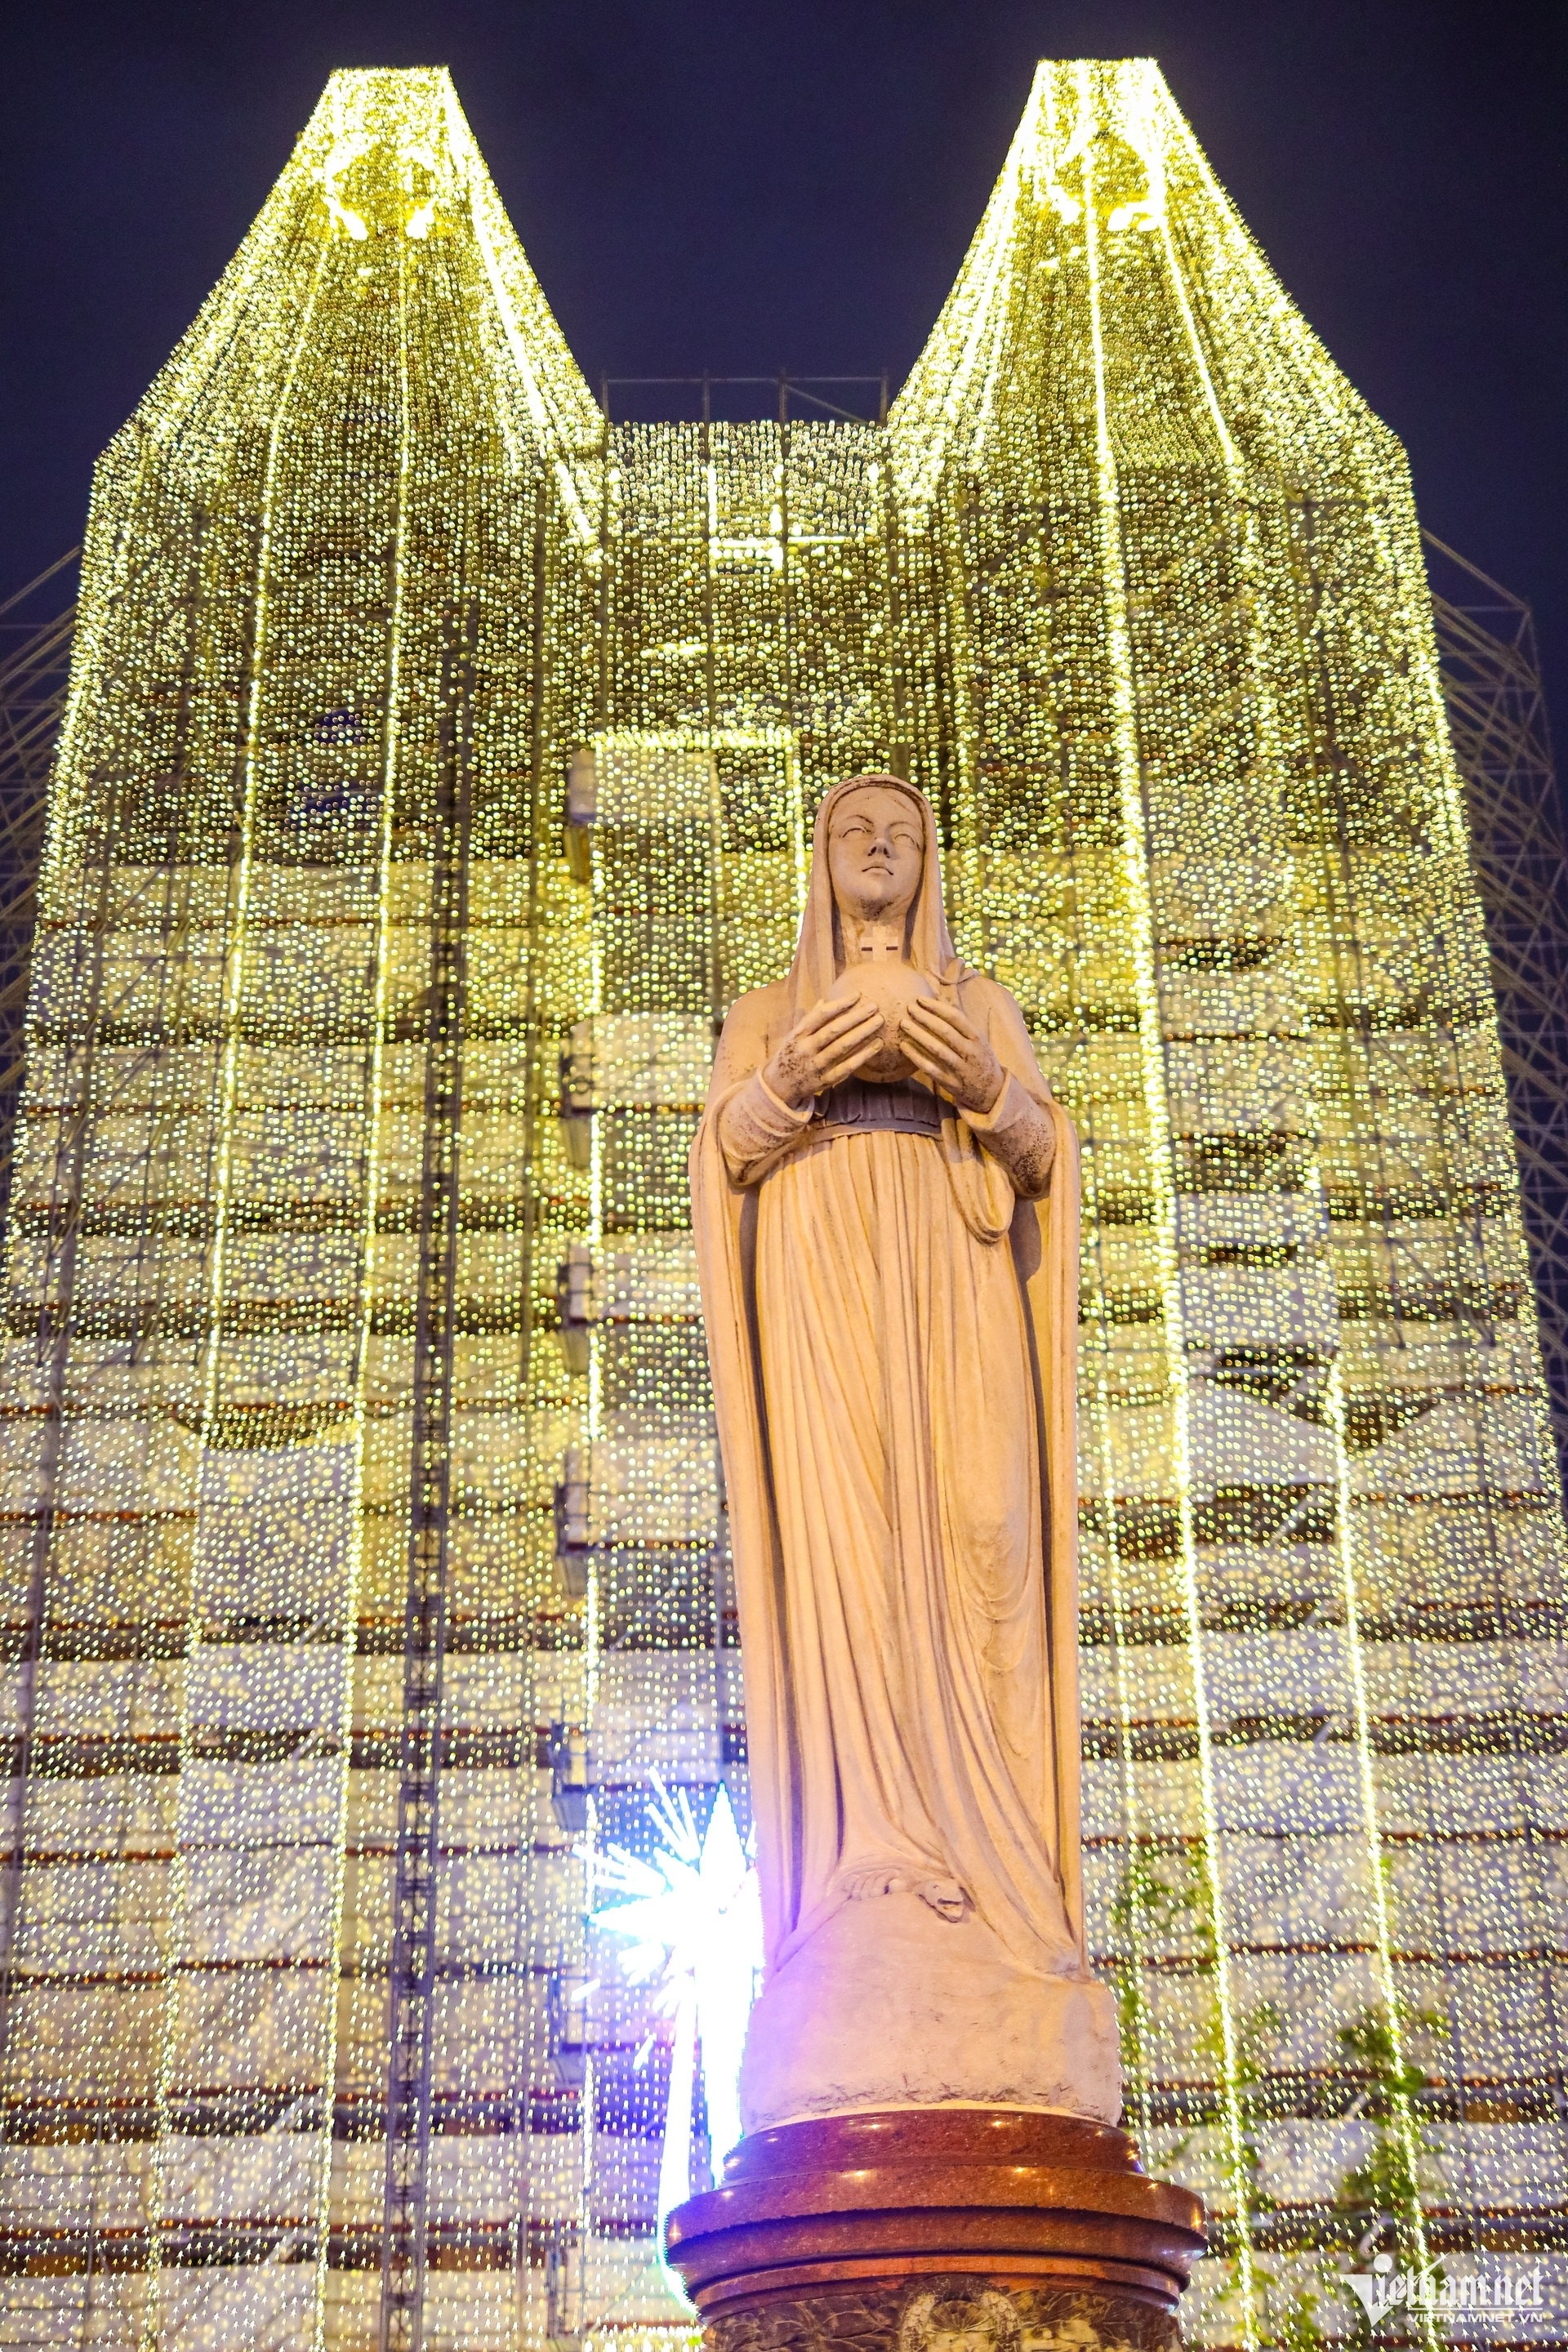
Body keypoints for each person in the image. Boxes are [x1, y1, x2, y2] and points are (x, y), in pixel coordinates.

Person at [692, 776, 1117, 2128]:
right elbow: (725, 1153)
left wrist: (973, 1075)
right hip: (823, 1286)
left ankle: (1005, 1893)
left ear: (930, 865)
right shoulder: (768, 1012)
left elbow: (1047, 1152)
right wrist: (801, 1073)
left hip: (955, 1277)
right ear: (818, 863)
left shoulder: (980, 1002)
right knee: (855, 1569)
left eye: (902, 837)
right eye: (850, 835)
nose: (877, 852)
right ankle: (874, 1868)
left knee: (987, 1545)